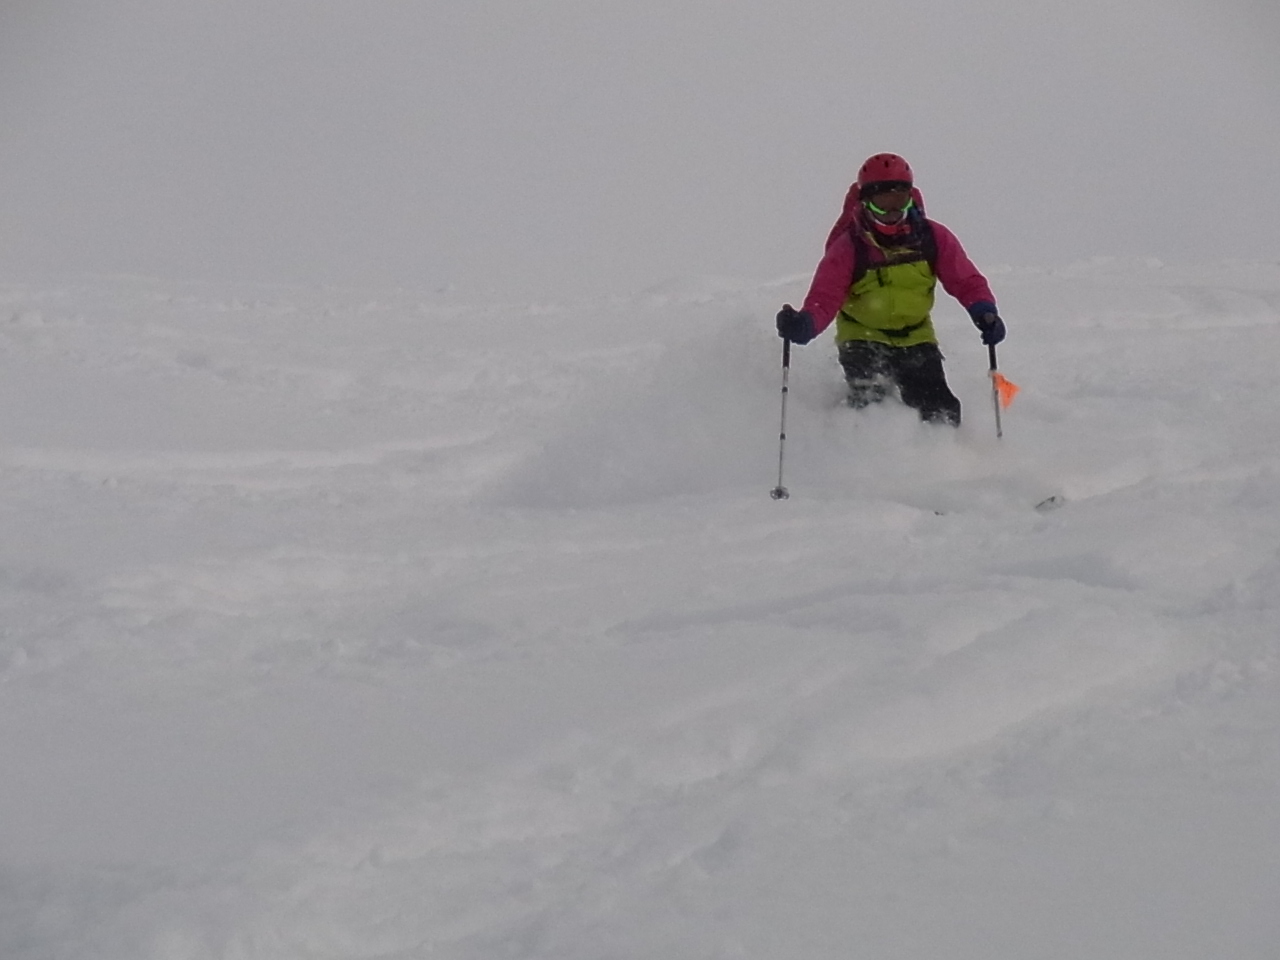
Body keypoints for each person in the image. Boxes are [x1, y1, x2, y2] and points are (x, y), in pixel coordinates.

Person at [776, 153, 1005, 427]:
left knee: (940, 410)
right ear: (866, 202)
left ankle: (941, 463)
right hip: (861, 336)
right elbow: (825, 296)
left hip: (916, 335)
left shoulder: (933, 237)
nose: (893, 210)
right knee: (872, 409)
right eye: (883, 202)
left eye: (899, 199)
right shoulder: (850, 246)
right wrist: (804, 325)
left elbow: (965, 280)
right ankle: (860, 457)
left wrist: (984, 311)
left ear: (911, 196)